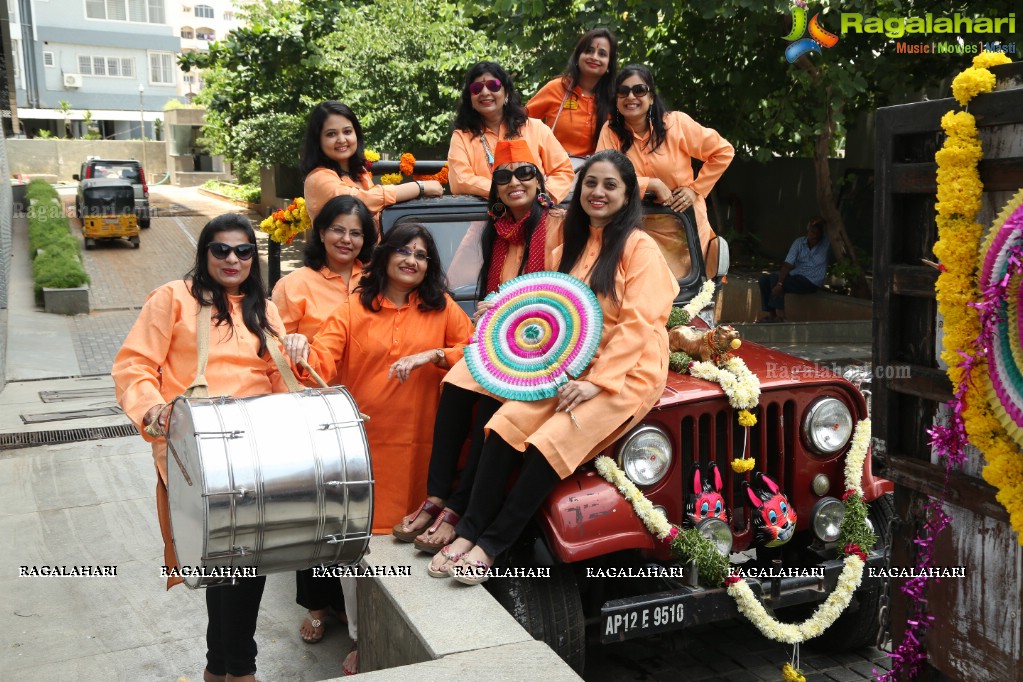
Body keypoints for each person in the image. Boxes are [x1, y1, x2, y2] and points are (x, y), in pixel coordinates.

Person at [428, 150, 679, 583]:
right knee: (506, 424)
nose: (598, 193)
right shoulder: (567, 247)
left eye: (610, 185)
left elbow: (639, 324)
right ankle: (466, 531)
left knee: (552, 440)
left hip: (627, 371)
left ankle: (491, 546)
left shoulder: (640, 248)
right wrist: (502, 306)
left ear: (627, 194)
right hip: (567, 362)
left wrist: (598, 383)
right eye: (591, 183)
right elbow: (544, 303)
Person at [284, 223, 474, 674]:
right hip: (365, 450)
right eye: (404, 251)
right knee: (357, 553)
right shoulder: (353, 309)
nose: (411, 260)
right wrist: (298, 348)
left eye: (422, 255)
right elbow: (320, 364)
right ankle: (361, 636)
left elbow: (477, 349)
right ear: (386, 255)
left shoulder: (441, 307)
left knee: (417, 550)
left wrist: (434, 355)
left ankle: (418, 632)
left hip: (428, 450)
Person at [113, 213, 289, 682]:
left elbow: (278, 377)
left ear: (254, 257)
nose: (233, 259)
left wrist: (297, 360)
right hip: (197, 450)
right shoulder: (172, 297)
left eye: (244, 251)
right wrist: (151, 410)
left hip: (258, 448)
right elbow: (134, 366)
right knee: (231, 561)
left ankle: (222, 669)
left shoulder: (264, 308)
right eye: (221, 250)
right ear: (204, 253)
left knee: (247, 558)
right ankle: (240, 670)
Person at [392, 139, 566, 554]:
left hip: (549, 343)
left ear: (539, 181)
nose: (514, 183)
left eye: (525, 173)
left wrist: (514, 305)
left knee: (490, 401)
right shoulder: (494, 231)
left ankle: (463, 511)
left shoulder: (559, 224)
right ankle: (439, 496)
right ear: (496, 189)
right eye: (503, 177)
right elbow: (460, 281)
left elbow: (567, 291)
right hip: (503, 339)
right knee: (454, 383)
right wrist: (491, 310)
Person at [271, 195, 377, 645]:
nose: (347, 239)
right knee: (316, 511)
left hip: (371, 408)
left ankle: (356, 608)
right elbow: (271, 347)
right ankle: (317, 604)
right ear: (320, 232)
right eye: (338, 229)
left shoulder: (379, 279)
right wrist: (292, 340)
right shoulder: (295, 285)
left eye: (356, 232)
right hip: (314, 412)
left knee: (357, 511)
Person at [596, 64, 734, 259]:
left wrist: (695, 190)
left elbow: (723, 151)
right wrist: (650, 184)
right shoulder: (610, 132)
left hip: (683, 227)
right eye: (623, 91)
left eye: (639, 90)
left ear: (651, 97)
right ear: (616, 99)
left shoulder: (676, 124)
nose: (631, 97)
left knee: (690, 288)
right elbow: (603, 176)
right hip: (634, 229)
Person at [448, 61, 575, 204]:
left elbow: (563, 171)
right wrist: (510, 192)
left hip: (537, 214)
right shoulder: (462, 136)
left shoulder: (536, 128)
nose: (484, 92)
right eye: (476, 88)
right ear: (470, 99)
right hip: (487, 218)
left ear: (506, 93)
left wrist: (538, 197)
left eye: (493, 86)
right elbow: (459, 181)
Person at [302, 100, 443, 221]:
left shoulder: (360, 172)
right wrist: (420, 187)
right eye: (331, 134)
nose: (341, 140)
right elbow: (361, 202)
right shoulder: (318, 178)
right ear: (317, 140)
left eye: (347, 132)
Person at [526, 28, 619, 158]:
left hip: (593, 174)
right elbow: (520, 122)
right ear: (578, 56)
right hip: (551, 172)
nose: (594, 57)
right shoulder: (557, 88)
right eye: (589, 51)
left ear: (609, 64)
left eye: (602, 54)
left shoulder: (615, 100)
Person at [758, 217, 830, 322]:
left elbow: (834, 231)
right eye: (812, 232)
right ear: (808, 231)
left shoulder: (826, 244)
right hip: (796, 277)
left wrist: (779, 285)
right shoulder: (799, 242)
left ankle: (781, 316)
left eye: (817, 233)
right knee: (764, 279)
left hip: (811, 281)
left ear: (821, 234)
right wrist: (779, 284)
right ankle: (772, 314)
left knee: (776, 281)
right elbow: (788, 264)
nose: (814, 235)